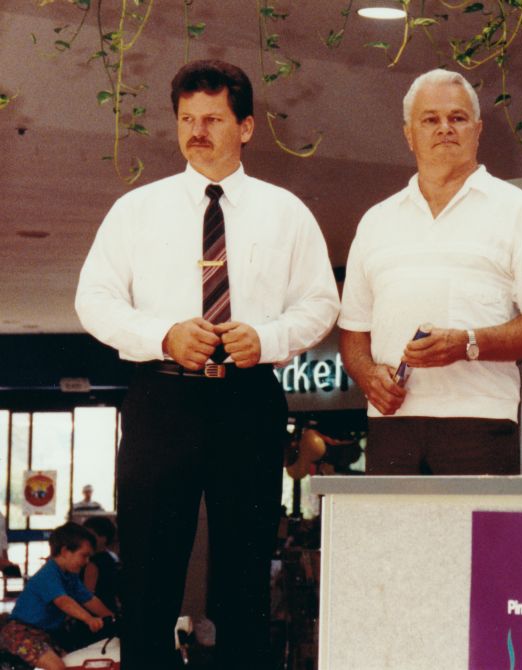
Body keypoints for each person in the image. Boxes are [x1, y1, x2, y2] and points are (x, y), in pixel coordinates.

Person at [75, 59, 340, 669]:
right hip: (160, 398)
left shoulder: (286, 212)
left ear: (245, 127)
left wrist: (268, 337)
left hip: (248, 400)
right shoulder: (136, 210)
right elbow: (94, 300)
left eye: (213, 119)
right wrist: (163, 335)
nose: (197, 131)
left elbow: (321, 303)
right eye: (187, 119)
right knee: (148, 570)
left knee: (245, 573)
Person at [339, 68, 522, 475]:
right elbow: (354, 332)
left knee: (474, 523)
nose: (444, 128)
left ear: (477, 130)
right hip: (391, 424)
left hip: (480, 422)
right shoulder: (376, 221)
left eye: (457, 118)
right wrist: (368, 375)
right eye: (430, 119)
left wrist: (468, 344)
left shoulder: (517, 211)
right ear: (409, 135)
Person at [0, 523, 114, 670]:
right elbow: (63, 601)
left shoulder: (70, 577)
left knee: (74, 662)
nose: (87, 561)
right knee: (58, 667)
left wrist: (111, 616)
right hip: (21, 633)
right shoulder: (49, 574)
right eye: (84, 555)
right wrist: (89, 619)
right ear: (65, 551)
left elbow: (89, 599)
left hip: (44, 635)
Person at [81, 517, 120, 616]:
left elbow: (86, 595)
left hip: (94, 616)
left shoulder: (93, 563)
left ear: (103, 538)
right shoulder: (110, 558)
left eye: (89, 536)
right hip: (109, 610)